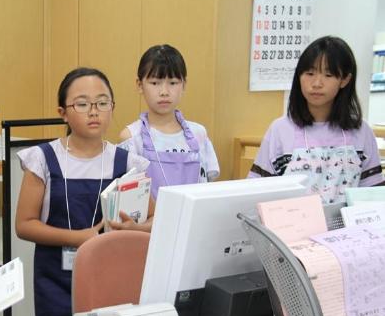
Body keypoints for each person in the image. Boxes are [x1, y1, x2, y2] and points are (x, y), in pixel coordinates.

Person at [15, 67, 151, 316]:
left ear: (112, 108)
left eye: (102, 103)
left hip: (111, 277)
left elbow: (157, 219)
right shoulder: (42, 159)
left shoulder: (127, 163)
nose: (94, 111)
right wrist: (80, 237)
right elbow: (24, 225)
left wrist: (133, 230)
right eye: (82, 104)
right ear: (62, 112)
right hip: (56, 281)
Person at [249, 36, 384, 203]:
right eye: (310, 73)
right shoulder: (280, 129)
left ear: (344, 80)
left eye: (328, 75)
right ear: (299, 76)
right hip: (292, 227)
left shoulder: (361, 131)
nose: (317, 83)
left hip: (346, 228)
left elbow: (373, 195)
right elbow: (257, 192)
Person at [119, 44, 220, 199]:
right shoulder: (131, 137)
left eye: (173, 83)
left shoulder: (199, 134)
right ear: (139, 85)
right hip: (149, 222)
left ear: (184, 84)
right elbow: (129, 197)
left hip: (193, 221)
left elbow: (209, 187)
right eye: (155, 83)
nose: (164, 92)